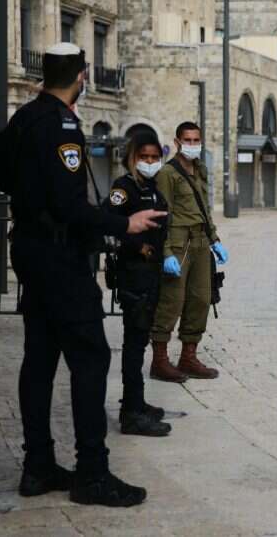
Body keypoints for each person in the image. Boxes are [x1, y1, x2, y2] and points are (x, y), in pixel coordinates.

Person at [0, 42, 166, 508]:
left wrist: (29, 199)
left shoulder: (26, 115)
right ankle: (92, 473)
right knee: (90, 359)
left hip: (30, 253)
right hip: (61, 259)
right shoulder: (63, 124)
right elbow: (71, 207)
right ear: (83, 76)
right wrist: (125, 224)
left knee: (40, 359)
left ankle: (38, 465)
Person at [105, 131, 173, 438]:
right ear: (132, 157)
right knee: (134, 343)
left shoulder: (153, 187)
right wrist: (136, 246)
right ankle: (131, 413)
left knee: (141, 339)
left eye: (154, 158)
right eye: (143, 157)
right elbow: (109, 219)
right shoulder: (124, 187)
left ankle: (136, 401)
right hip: (135, 272)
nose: (149, 162)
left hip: (152, 272)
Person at [150, 122, 229, 381]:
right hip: (178, 243)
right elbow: (162, 216)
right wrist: (166, 252)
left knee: (200, 300)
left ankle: (188, 357)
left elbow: (204, 209)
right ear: (177, 141)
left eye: (196, 140)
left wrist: (214, 239)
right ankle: (160, 361)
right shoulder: (167, 174)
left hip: (200, 242)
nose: (193, 145)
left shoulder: (200, 169)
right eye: (188, 140)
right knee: (172, 302)